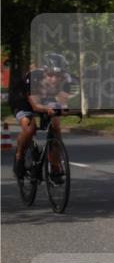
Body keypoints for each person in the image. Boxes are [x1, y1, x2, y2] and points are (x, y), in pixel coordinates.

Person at [10, 53, 74, 182]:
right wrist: (48, 109)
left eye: (58, 75)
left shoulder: (67, 79)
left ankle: (55, 167)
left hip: (45, 98)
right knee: (30, 128)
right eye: (50, 74)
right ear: (44, 72)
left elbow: (62, 102)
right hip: (22, 100)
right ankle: (19, 156)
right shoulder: (34, 77)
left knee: (56, 124)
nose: (54, 79)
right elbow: (35, 106)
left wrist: (65, 109)